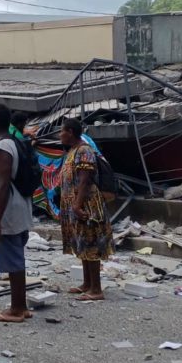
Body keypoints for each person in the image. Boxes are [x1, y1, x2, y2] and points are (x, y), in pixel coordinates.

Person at [0, 104, 32, 323]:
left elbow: (3, 185)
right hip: (17, 208)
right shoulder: (13, 142)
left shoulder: (2, 146)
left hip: (8, 212)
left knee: (13, 261)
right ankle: (21, 306)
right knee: (16, 260)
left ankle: (17, 309)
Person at [59, 118, 115, 301]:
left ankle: (96, 289)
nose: (60, 135)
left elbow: (85, 180)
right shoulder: (73, 151)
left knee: (91, 244)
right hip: (76, 205)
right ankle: (87, 283)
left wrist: (77, 204)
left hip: (86, 205)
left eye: (62, 131)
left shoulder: (84, 151)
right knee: (82, 243)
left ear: (71, 132)